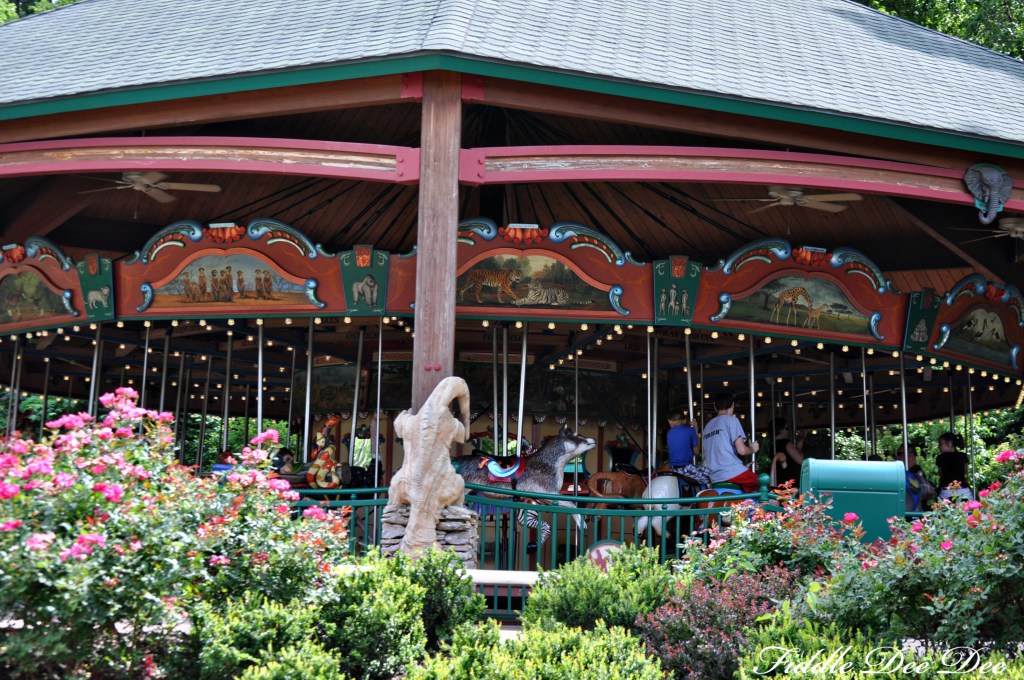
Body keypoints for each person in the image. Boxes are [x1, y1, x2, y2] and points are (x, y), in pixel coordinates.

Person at [701, 393, 760, 492]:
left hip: (715, 477)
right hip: (732, 473)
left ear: (715, 407)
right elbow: (741, 450)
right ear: (732, 405)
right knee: (763, 486)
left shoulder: (707, 427)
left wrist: (744, 467)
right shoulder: (732, 420)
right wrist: (752, 449)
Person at [935, 431, 973, 501]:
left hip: (947, 492)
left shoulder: (940, 458)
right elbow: (966, 473)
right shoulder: (963, 456)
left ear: (950, 443)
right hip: (964, 491)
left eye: (940, 444)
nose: (939, 446)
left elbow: (941, 475)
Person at [771, 418, 804, 489]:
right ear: (780, 430)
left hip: (779, 479)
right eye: (787, 429)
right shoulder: (786, 443)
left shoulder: (773, 446)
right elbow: (800, 460)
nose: (788, 431)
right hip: (790, 481)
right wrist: (799, 448)